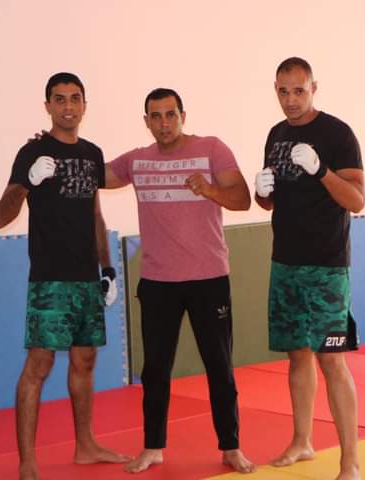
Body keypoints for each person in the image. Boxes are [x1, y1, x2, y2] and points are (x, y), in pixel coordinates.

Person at [104, 88, 256, 474]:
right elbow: (95, 174)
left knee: (219, 366)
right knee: (155, 369)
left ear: (182, 116)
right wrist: (57, 145)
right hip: (158, 281)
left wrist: (210, 190)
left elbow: (242, 199)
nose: (164, 123)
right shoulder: (136, 161)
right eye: (156, 116)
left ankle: (231, 447)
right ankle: (153, 447)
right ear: (146, 122)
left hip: (208, 278)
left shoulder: (212, 148)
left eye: (170, 114)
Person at [0, 72, 130, 480]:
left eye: (75, 98)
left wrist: (107, 269)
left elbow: (95, 214)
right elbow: (1, 217)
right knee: (39, 364)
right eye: (60, 99)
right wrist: (28, 182)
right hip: (50, 279)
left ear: (84, 105)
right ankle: (27, 462)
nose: (68, 106)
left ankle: (86, 445)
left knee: (85, 361)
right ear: (48, 106)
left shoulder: (92, 153)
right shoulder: (31, 152)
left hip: (87, 277)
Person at [254, 57, 365, 480]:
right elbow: (271, 201)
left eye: (298, 91)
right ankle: (302, 441)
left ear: (313, 88)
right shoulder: (276, 135)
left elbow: (357, 200)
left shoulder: (338, 133)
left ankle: (350, 460)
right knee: (297, 356)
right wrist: (262, 193)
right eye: (283, 91)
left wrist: (321, 170)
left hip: (326, 266)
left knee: (331, 359)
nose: (291, 100)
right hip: (285, 262)